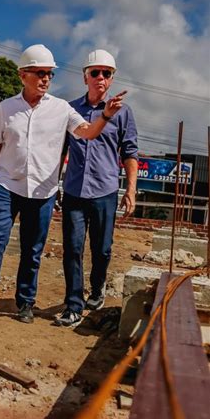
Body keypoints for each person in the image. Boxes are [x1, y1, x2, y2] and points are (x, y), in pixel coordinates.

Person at [0, 44, 128, 324]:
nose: (45, 79)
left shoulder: (61, 110)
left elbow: (88, 133)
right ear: (22, 75)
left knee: (32, 249)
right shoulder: (6, 109)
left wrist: (105, 116)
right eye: (39, 73)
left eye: (49, 74)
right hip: (7, 186)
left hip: (42, 191)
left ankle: (26, 302)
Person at [55, 49, 138, 329]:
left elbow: (130, 153)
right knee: (72, 248)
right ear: (85, 77)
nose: (100, 77)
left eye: (107, 73)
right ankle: (73, 305)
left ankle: (98, 287)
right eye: (95, 72)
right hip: (75, 191)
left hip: (104, 191)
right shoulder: (70, 110)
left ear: (111, 79)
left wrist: (131, 189)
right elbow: (60, 150)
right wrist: (54, 183)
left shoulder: (124, 113)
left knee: (101, 249)